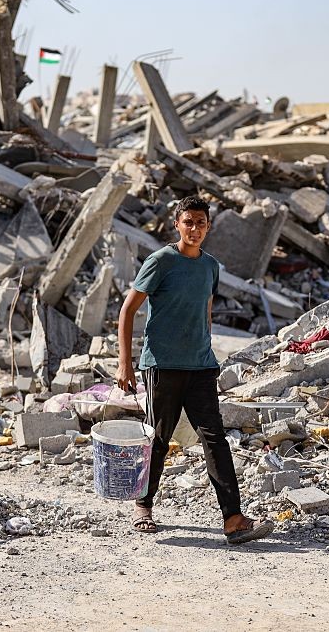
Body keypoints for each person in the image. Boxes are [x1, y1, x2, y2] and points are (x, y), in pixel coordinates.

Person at [115, 196, 273, 545]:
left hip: (201, 366)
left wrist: (206, 349)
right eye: (188, 222)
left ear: (208, 226)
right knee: (159, 438)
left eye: (201, 223)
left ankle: (233, 518)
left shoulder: (210, 266)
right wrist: (125, 363)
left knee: (214, 438)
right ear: (177, 224)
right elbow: (128, 310)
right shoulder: (161, 261)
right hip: (163, 365)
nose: (195, 229)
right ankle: (143, 505)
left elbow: (206, 310)